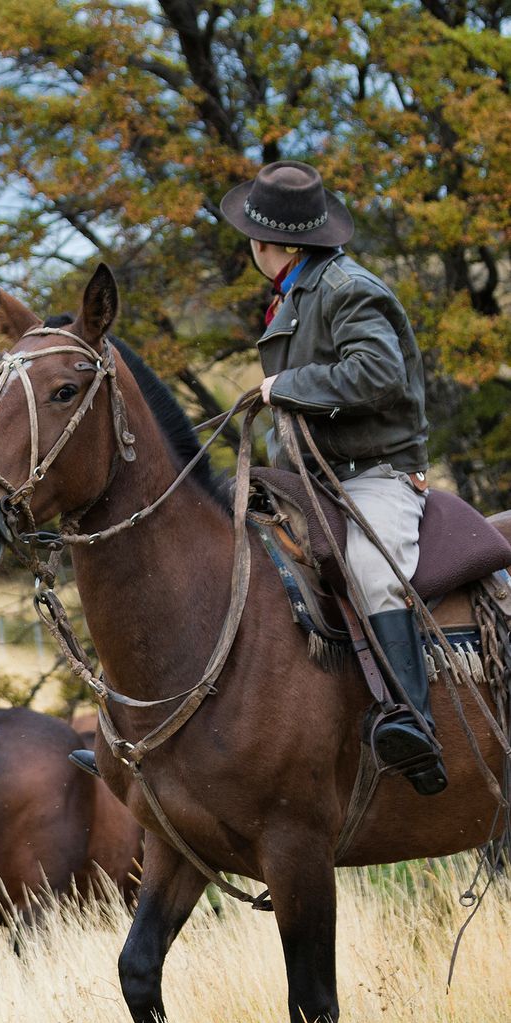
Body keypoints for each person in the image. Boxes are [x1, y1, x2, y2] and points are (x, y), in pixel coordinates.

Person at [71, 161, 444, 796]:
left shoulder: (349, 289)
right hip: (307, 480)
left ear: (271, 243)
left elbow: (379, 374)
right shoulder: (295, 291)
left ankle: (412, 719)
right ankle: (151, 731)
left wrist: (282, 387)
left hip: (372, 478)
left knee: (379, 575)